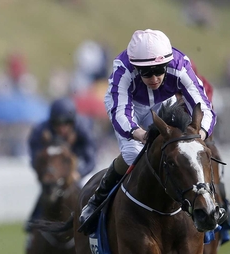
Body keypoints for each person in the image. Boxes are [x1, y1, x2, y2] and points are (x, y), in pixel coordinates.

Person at [78, 29, 217, 234]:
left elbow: (203, 106)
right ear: (136, 68)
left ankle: (208, 203)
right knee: (133, 153)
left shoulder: (179, 66)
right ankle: (97, 200)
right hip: (130, 107)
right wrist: (141, 134)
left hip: (164, 102)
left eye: (160, 69)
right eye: (146, 72)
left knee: (190, 152)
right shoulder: (123, 69)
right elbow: (120, 113)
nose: (154, 77)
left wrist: (200, 135)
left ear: (167, 64)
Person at [26, 97, 97, 228]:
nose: (62, 128)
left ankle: (94, 220)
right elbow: (34, 159)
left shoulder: (83, 129)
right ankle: (33, 224)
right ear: (51, 122)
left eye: (67, 123)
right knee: (47, 189)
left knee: (86, 190)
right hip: (53, 169)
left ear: (73, 122)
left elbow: (91, 159)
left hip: (77, 166)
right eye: (58, 124)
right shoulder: (39, 132)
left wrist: (79, 173)